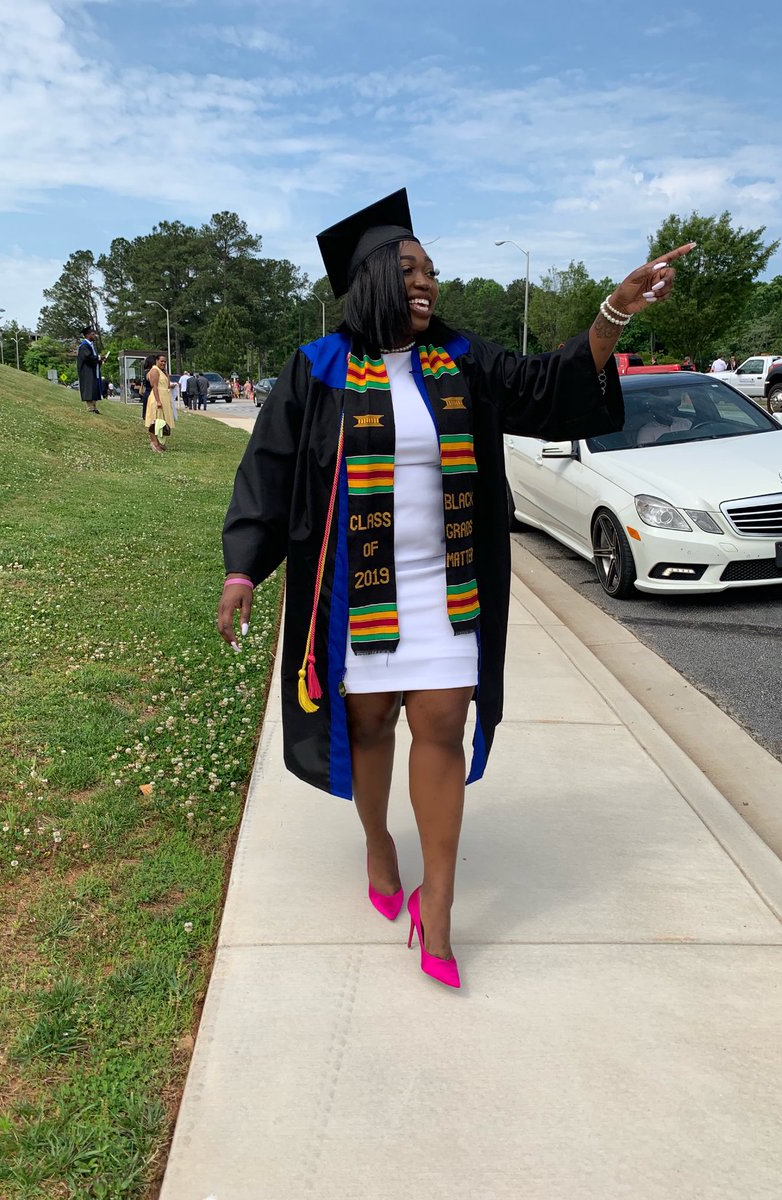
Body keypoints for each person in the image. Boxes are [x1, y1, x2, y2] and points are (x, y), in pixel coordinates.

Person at [217, 189, 693, 988]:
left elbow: (548, 386)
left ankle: (437, 905)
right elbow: (265, 472)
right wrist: (242, 567)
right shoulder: (318, 369)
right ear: (370, 278)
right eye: (409, 269)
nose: (426, 281)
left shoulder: (463, 359)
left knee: (441, 722)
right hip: (355, 591)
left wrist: (613, 311)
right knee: (367, 729)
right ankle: (378, 843)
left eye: (431, 269)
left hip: (446, 588)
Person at [144, 352, 174, 452]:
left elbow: (168, 385)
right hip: (157, 397)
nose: (163, 363)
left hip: (164, 397)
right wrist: (158, 401)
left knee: (161, 421)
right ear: (157, 361)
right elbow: (154, 386)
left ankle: (160, 442)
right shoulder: (154, 371)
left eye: (165, 362)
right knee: (154, 421)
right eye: (161, 361)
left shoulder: (162, 371)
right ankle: (154, 443)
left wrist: (166, 373)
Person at [76, 325, 105, 413]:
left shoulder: (91, 346)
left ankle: (94, 406)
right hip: (87, 371)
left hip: (93, 370)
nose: (94, 336)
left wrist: (100, 360)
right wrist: (98, 358)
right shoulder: (84, 346)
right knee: (89, 388)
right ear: (88, 335)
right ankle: (90, 407)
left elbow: (94, 357)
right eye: (93, 334)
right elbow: (87, 358)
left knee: (94, 387)